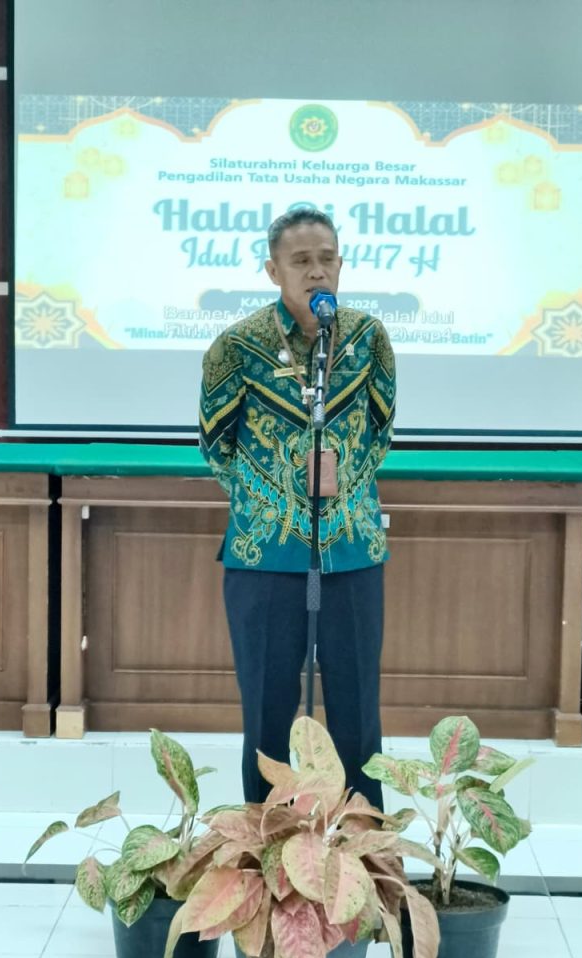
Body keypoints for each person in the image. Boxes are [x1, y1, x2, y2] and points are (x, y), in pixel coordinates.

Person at [198, 208, 396, 808]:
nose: (316, 272)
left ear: (341, 264)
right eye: (301, 261)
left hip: (352, 549)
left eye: (326, 259)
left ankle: (361, 844)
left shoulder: (368, 338)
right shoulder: (237, 347)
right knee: (268, 712)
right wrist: (277, 503)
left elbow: (380, 433)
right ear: (273, 270)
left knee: (358, 712)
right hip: (264, 555)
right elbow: (216, 445)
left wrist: (343, 496)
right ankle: (264, 845)